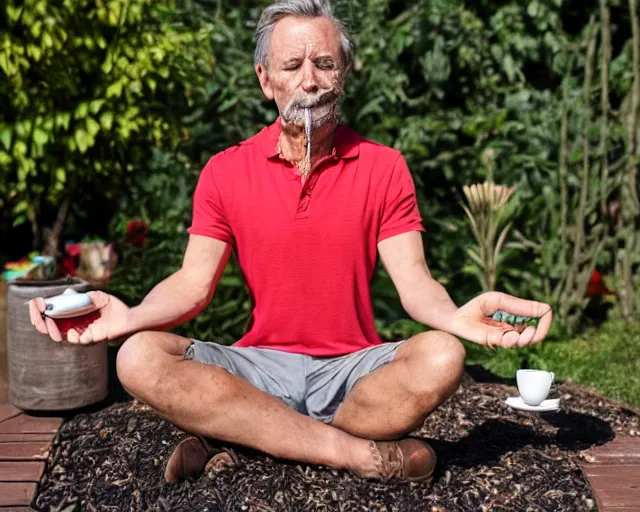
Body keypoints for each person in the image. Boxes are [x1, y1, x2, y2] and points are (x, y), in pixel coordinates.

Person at [29, 0, 552, 484]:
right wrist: (130, 316)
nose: (310, 80)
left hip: (354, 372)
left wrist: (457, 318)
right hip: (258, 366)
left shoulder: (384, 167)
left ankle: (248, 434)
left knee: (443, 354)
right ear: (265, 79)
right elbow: (192, 283)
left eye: (324, 63)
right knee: (137, 356)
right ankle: (355, 454)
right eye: (292, 65)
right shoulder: (225, 171)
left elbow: (415, 286)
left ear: (343, 75)